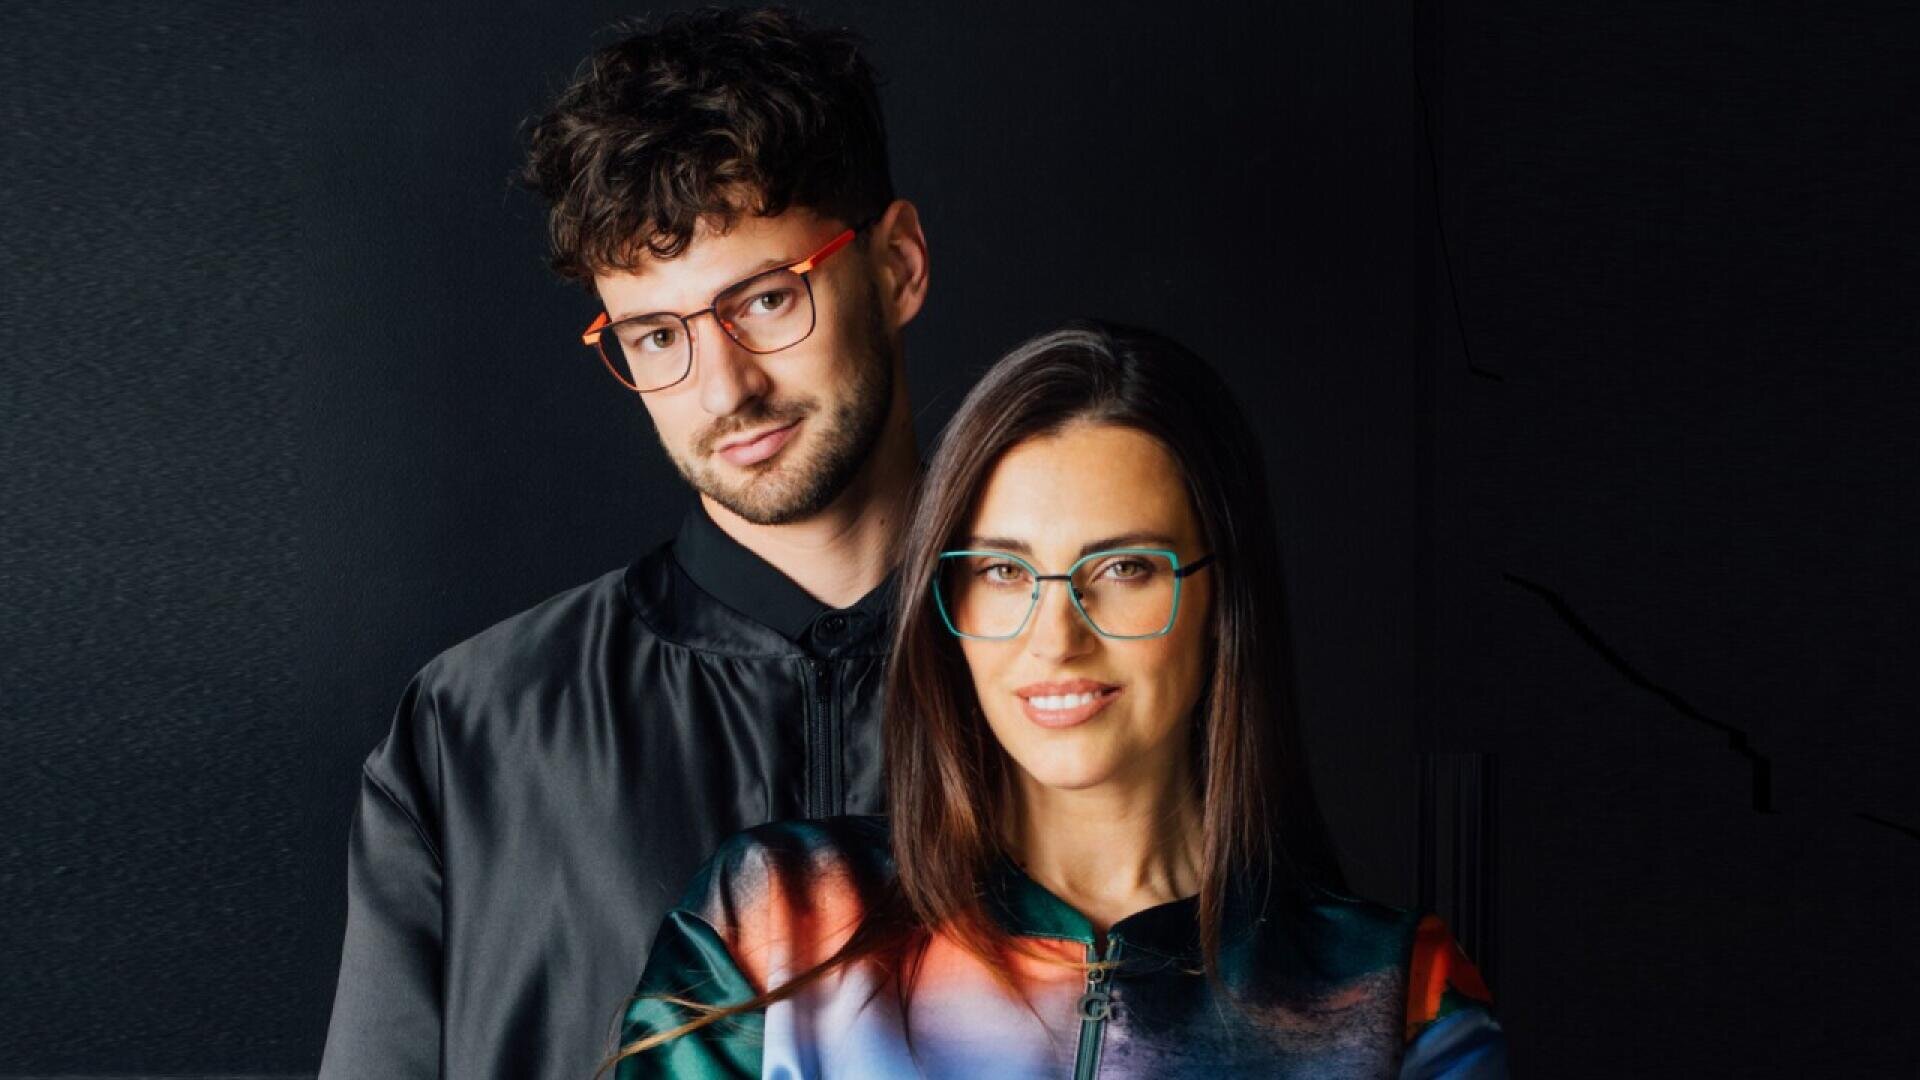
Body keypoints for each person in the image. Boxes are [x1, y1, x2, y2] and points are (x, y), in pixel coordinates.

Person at [610, 321, 1509, 1078]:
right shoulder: (778, 919)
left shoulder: (1394, 999)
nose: (1056, 637)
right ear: (947, 603)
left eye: (1121, 569)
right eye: (1003, 571)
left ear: (1221, 601)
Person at [318, 9, 930, 1078]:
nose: (725, 387)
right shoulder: (474, 734)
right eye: (659, 336)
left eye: (767, 299)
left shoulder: (1098, 671)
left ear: (899, 267)